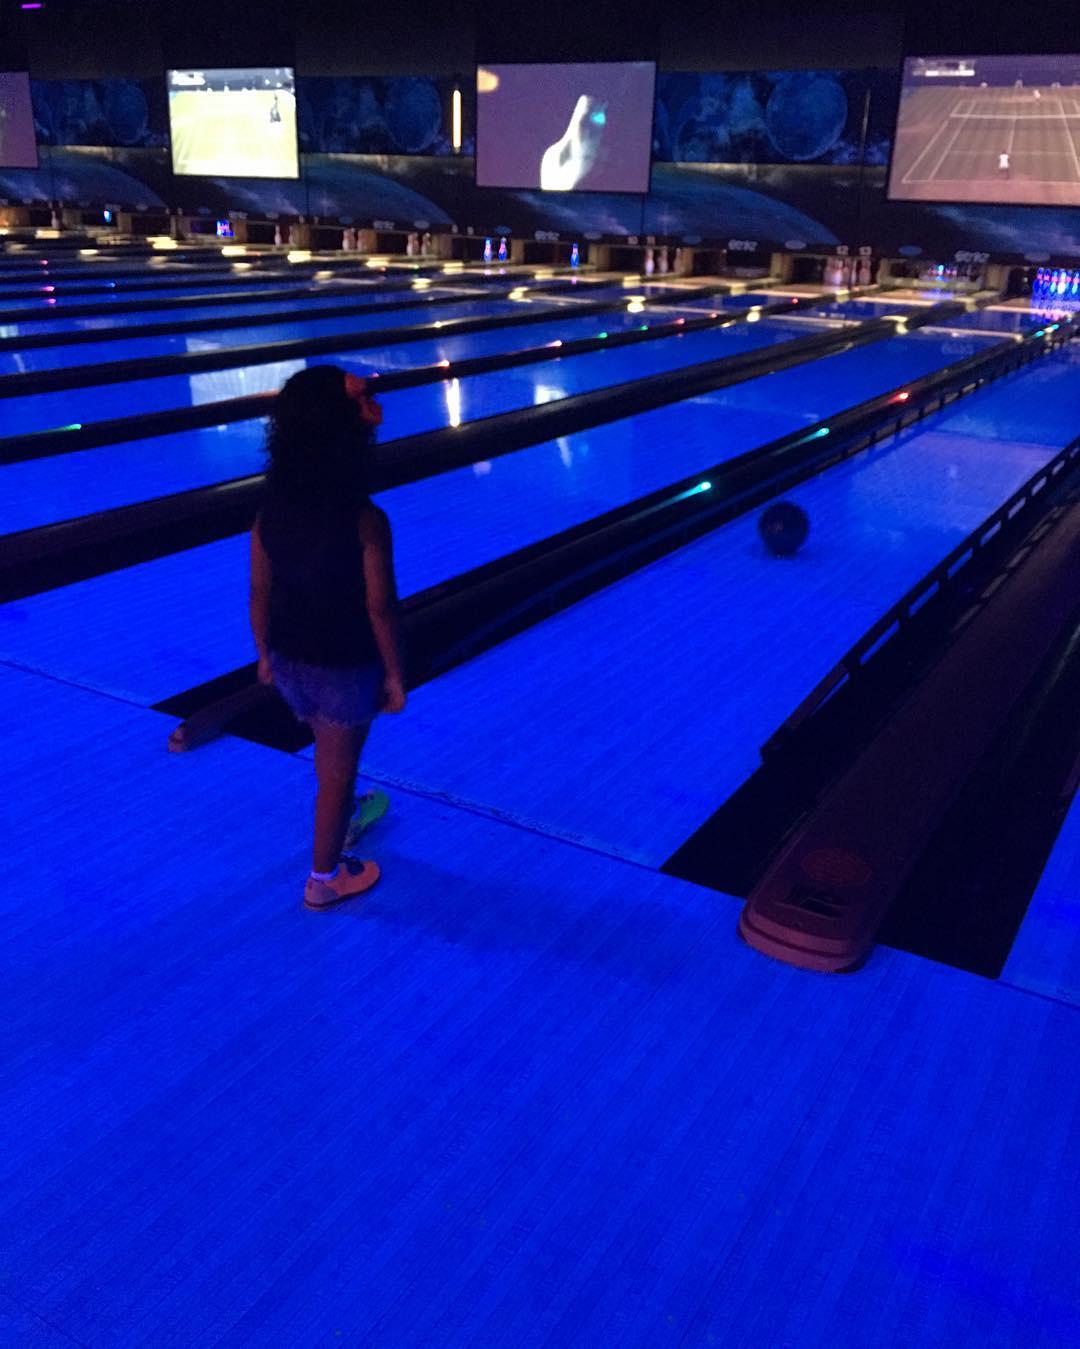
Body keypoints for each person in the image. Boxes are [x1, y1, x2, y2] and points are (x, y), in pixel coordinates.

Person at [249, 366, 407, 911]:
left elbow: (258, 594)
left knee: (329, 757)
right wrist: (395, 673)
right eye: (361, 400)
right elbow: (380, 608)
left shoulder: (270, 511)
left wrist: (264, 657)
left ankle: (341, 817)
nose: (373, 407)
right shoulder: (365, 520)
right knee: (338, 773)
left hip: (288, 661)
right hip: (343, 667)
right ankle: (324, 878)